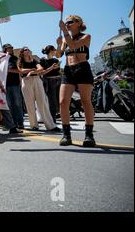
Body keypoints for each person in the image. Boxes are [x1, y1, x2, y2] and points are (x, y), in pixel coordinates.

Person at [56, 15, 96, 147]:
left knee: (85, 101)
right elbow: (58, 55)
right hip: (68, 70)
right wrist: (58, 45)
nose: (67, 24)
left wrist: (64, 31)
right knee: (62, 102)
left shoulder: (86, 37)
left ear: (78, 23)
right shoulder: (65, 39)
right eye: (66, 22)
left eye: (70, 22)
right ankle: (66, 135)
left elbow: (73, 45)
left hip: (82, 69)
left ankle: (89, 135)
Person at [18, 47, 61, 132]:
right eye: (26, 50)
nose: (28, 51)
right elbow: (21, 70)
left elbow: (41, 69)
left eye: (29, 50)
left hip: (37, 80)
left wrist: (31, 72)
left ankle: (51, 125)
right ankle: (34, 125)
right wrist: (33, 70)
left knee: (43, 102)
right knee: (30, 104)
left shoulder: (35, 61)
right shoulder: (21, 61)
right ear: (22, 53)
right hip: (26, 81)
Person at [2, 44, 25, 129]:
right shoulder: (2, 59)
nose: (11, 49)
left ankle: (20, 123)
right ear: (4, 49)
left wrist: (9, 70)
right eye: (8, 48)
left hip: (15, 84)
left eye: (11, 48)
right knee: (9, 105)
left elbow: (20, 70)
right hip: (5, 85)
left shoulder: (16, 59)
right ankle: (11, 124)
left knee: (17, 104)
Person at [40, 45, 62, 124]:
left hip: (58, 80)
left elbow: (58, 70)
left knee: (59, 100)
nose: (55, 51)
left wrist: (57, 68)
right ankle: (52, 120)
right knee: (52, 101)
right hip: (49, 81)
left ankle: (58, 118)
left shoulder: (55, 60)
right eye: (54, 50)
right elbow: (42, 72)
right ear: (50, 50)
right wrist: (51, 68)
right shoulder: (42, 60)